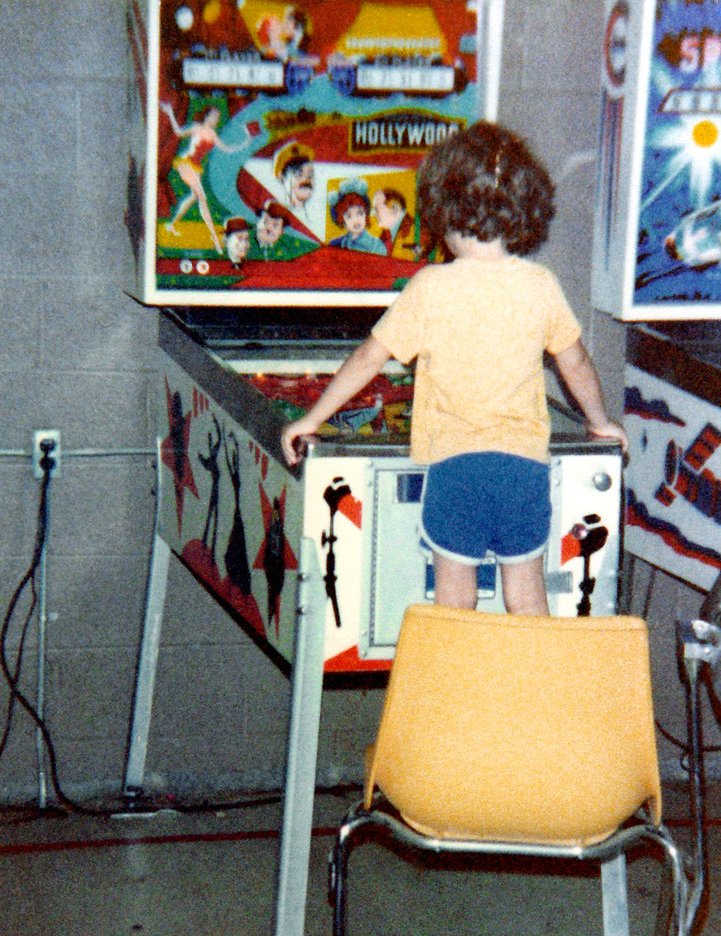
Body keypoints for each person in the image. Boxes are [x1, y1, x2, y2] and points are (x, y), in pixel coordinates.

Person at [281, 121, 628, 615]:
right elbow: (576, 364)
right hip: (523, 468)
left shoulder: (430, 287)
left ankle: (453, 689)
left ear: (442, 208)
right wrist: (599, 422)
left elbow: (368, 358)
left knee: (454, 597)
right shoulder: (541, 284)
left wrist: (312, 419)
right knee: (528, 593)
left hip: (456, 466)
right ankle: (537, 691)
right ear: (522, 209)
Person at [160, 101, 250, 250]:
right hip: (186, 164)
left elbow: (226, 149)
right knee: (202, 197)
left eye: (217, 117)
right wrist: (170, 113)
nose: (216, 119)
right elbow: (178, 132)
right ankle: (214, 237)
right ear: (207, 116)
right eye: (214, 116)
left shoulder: (213, 135)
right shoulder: (197, 127)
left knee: (193, 197)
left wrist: (244, 143)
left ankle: (172, 224)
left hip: (195, 169)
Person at [328, 178, 387, 255]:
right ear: (342, 220)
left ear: (366, 214)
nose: (356, 220)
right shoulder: (335, 245)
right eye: (349, 216)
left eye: (360, 213)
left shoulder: (376, 246)